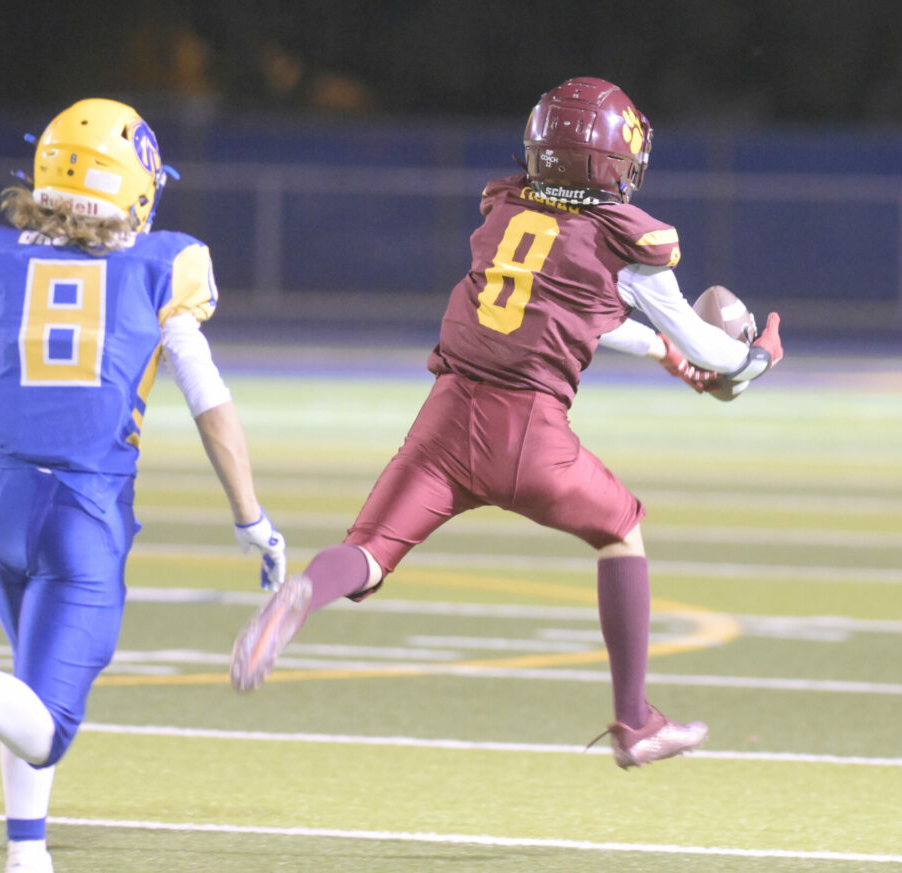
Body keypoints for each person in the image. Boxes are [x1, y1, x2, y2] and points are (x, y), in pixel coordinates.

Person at [228, 77, 783, 769]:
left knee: (369, 551)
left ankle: (306, 595)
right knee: (621, 527)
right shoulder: (622, 240)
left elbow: (561, 308)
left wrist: (657, 347)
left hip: (446, 417)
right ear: (609, 161)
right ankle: (635, 721)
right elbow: (713, 352)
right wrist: (758, 355)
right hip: (529, 432)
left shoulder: (505, 208)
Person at [0, 98, 286, 873]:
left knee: (31, 685)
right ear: (136, 183)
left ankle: (26, 853)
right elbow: (211, 406)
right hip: (83, 509)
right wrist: (251, 518)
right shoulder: (162, 266)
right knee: (49, 723)